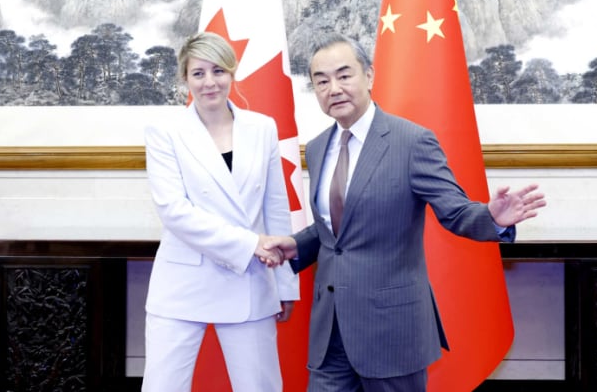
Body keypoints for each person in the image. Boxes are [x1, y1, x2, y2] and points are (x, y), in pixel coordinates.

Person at [264, 32, 546, 392]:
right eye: (321, 81)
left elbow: (455, 211)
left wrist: (491, 217)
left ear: (369, 76)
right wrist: (294, 245)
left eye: (344, 75)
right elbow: (335, 231)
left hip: (391, 331)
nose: (333, 88)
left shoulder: (412, 142)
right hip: (330, 330)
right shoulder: (318, 147)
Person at [141, 31, 299, 392]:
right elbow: (175, 211)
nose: (209, 82)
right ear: (185, 78)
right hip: (182, 285)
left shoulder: (263, 128)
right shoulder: (164, 131)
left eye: (218, 71)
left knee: (260, 386)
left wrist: (286, 284)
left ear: (232, 73)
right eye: (198, 73)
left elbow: (276, 207)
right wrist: (249, 244)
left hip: (252, 280)